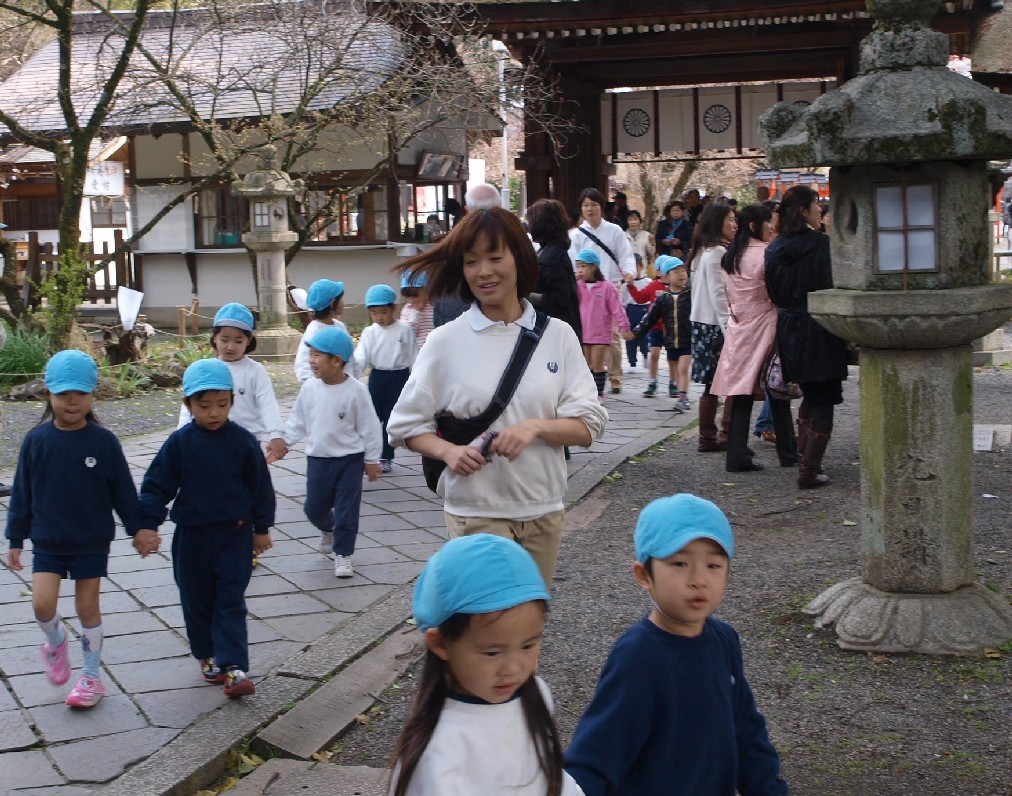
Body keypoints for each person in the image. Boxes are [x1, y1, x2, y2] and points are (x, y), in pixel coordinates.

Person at [387, 208, 607, 585]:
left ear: (520, 258)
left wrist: (535, 428)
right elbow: (404, 426)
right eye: (472, 262)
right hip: (476, 511)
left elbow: (590, 424)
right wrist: (448, 452)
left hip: (544, 510)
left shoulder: (558, 335)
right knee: (490, 626)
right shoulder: (445, 342)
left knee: (528, 629)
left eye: (494, 257)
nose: (483, 271)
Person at [565, 494, 789, 796]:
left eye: (713, 565)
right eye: (680, 563)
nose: (698, 579)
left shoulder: (723, 640)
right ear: (644, 575)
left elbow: (746, 731)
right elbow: (595, 754)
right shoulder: (639, 657)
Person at [4, 350, 155, 709]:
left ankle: (91, 677)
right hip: (48, 540)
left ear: (92, 395)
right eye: (63, 394)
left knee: (88, 607)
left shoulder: (103, 442)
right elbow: (22, 493)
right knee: (42, 605)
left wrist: (139, 529)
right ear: (47, 395)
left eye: (81, 394)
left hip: (90, 540)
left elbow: (123, 492)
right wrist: (15, 538)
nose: (72, 402)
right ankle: (55, 641)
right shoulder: (36, 441)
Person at [389, 533, 582, 796]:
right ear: (441, 644)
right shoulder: (440, 752)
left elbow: (553, 776)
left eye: (528, 646)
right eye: (492, 653)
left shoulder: (536, 694)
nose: (513, 668)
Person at [139, 358, 274, 698]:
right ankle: (207, 654)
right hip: (192, 537)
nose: (214, 413)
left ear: (231, 400)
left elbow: (260, 486)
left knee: (230, 599)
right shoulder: (180, 443)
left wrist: (262, 527)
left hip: (234, 534)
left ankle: (234, 667)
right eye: (204, 406)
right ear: (188, 404)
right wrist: (147, 525)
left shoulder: (243, 441)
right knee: (196, 598)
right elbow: (157, 485)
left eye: (222, 404)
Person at [765, 185, 848, 489]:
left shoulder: (774, 248)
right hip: (820, 325)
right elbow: (833, 284)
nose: (819, 210)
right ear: (802, 210)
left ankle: (806, 461)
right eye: (815, 205)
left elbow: (773, 293)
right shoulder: (822, 245)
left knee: (810, 393)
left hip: (789, 327)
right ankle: (810, 469)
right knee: (823, 395)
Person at [282, 326, 383, 576]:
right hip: (318, 459)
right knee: (313, 509)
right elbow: (298, 420)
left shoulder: (356, 392)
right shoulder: (310, 389)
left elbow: (370, 427)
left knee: (348, 509)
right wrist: (283, 442)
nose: (311, 361)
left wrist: (371, 459)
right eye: (311, 354)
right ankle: (329, 528)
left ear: (337, 361)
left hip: (350, 460)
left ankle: (343, 554)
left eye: (317, 355)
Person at [711, 205, 798, 473]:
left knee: (741, 392)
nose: (771, 228)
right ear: (754, 226)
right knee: (777, 387)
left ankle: (736, 456)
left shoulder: (730, 256)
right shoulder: (766, 253)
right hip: (767, 323)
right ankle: (788, 453)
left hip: (739, 326)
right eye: (768, 223)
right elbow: (778, 290)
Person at [178, 303, 286, 464]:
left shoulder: (256, 371)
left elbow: (267, 403)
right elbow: (190, 405)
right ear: (214, 337)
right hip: (210, 439)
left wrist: (276, 434)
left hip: (248, 442)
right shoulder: (206, 369)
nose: (230, 346)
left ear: (249, 340)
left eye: (238, 341)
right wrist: (181, 435)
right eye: (224, 339)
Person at [568, 187, 636, 395]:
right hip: (586, 290)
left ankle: (615, 376)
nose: (590, 209)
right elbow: (573, 261)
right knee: (589, 335)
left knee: (612, 335)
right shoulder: (577, 235)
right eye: (585, 205)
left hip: (611, 285)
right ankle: (592, 379)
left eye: (594, 205)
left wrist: (628, 272)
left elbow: (625, 254)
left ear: (601, 207)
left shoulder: (614, 231)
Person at [688, 203, 737, 452]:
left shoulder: (702, 250)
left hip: (701, 324)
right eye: (730, 219)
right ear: (718, 222)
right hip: (714, 325)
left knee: (711, 383)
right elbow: (719, 295)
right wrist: (729, 328)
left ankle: (707, 437)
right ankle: (723, 435)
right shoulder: (717, 252)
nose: (734, 224)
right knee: (727, 383)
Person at [352, 284, 416, 474]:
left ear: (393, 309)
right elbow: (361, 356)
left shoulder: (404, 330)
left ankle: (386, 456)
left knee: (391, 419)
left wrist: (416, 381)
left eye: (384, 312)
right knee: (371, 417)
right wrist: (351, 376)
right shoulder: (370, 332)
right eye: (375, 313)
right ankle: (366, 454)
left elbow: (414, 356)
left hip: (399, 377)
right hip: (377, 377)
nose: (380, 317)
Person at [628, 255, 692, 412]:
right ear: (667, 276)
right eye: (676, 271)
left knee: (683, 369)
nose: (682, 274)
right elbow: (649, 318)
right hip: (670, 340)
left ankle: (683, 398)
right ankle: (668, 386)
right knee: (675, 368)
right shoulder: (663, 298)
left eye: (683, 270)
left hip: (687, 339)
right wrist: (636, 333)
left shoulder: (692, 294)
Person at [575, 249, 630, 402]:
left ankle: (599, 394)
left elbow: (617, 309)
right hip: (583, 332)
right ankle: (587, 393)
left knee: (598, 364)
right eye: (578, 266)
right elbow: (569, 300)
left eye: (583, 266)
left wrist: (624, 327)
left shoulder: (607, 287)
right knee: (586, 365)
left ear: (593, 267)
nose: (579, 270)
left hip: (601, 333)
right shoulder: (578, 286)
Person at [526, 198, 583, 340]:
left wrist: (528, 297)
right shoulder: (550, 251)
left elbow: (559, 298)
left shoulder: (552, 258)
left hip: (555, 330)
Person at [294, 278, 348, 383]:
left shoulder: (340, 327)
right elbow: (303, 363)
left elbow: (349, 359)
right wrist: (312, 386)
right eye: (341, 299)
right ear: (332, 303)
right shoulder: (314, 330)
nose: (343, 303)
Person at [399, 270, 435, 350]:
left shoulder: (434, 305)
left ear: (427, 290)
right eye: (408, 297)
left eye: (415, 296)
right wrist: (415, 313)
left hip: (436, 347)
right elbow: (407, 332)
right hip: (419, 350)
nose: (411, 301)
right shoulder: (407, 310)